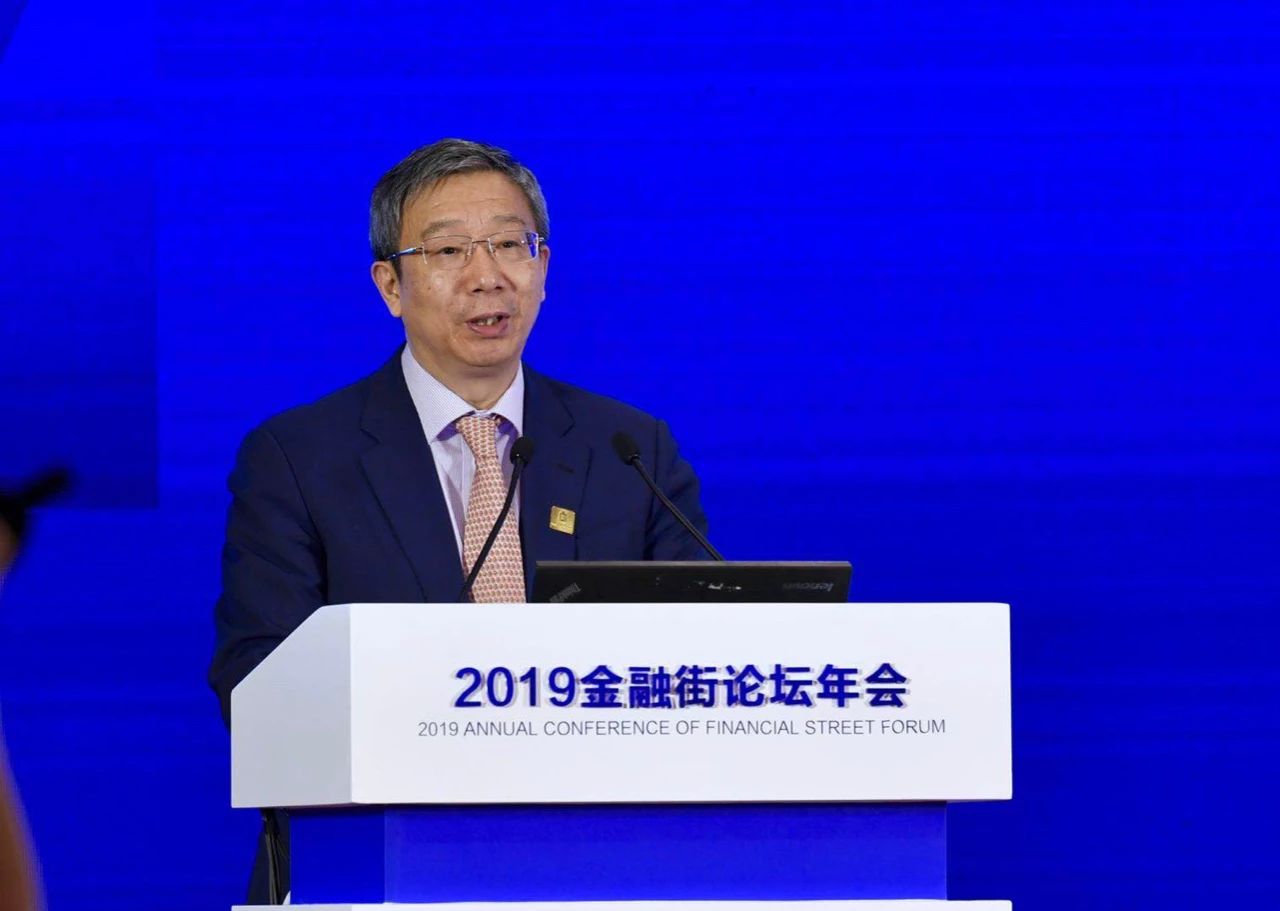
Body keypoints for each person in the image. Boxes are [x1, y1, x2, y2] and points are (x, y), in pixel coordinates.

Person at [209, 139, 710, 903]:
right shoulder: (299, 458)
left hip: (601, 863)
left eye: (511, 244)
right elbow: (256, 685)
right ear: (391, 285)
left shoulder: (631, 450)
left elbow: (700, 661)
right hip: (378, 865)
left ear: (543, 268)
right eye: (448, 250)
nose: (488, 275)